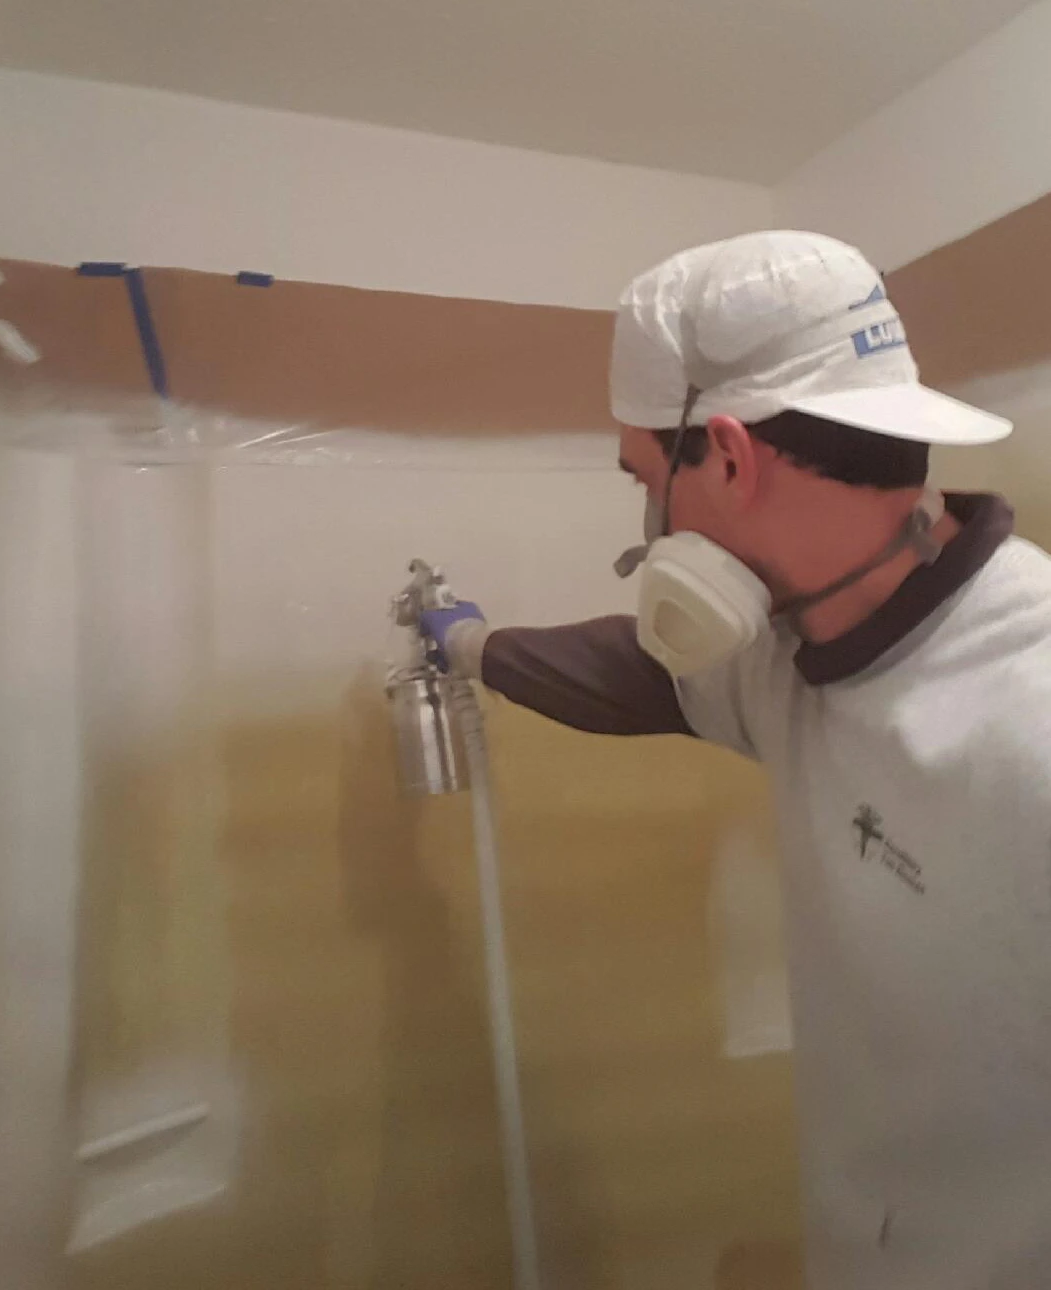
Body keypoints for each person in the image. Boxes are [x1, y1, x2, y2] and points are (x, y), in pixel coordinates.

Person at [419, 232, 1051, 1290]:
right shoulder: (790, 653)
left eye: (642, 475)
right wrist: (471, 645)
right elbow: (637, 673)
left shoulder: (1026, 717)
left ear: (727, 455)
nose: (646, 523)